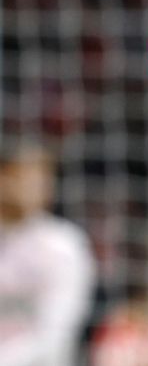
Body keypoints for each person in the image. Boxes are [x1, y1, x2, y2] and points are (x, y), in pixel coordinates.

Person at [0, 143, 96, 366]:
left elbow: (56, 334)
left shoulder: (63, 246)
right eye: (24, 176)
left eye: (43, 178)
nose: (37, 186)